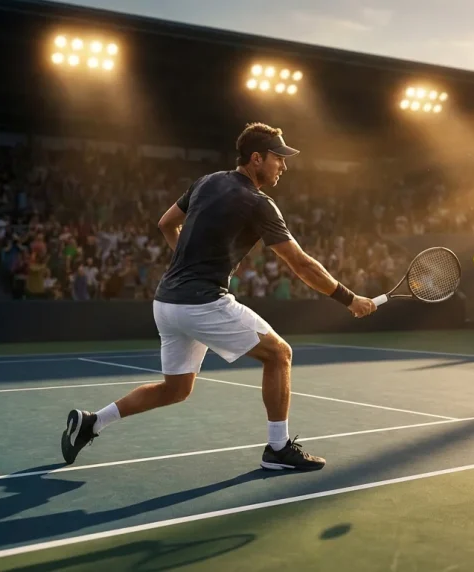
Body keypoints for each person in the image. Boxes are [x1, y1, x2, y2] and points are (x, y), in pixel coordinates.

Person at [61, 122, 376, 471]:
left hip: (166, 303)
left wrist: (190, 257)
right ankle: (278, 449)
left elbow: (166, 223)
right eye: (277, 158)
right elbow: (300, 263)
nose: (283, 166)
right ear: (256, 159)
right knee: (279, 355)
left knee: (176, 390)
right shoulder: (259, 203)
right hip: (201, 302)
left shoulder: (207, 181)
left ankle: (92, 422)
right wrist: (349, 299)